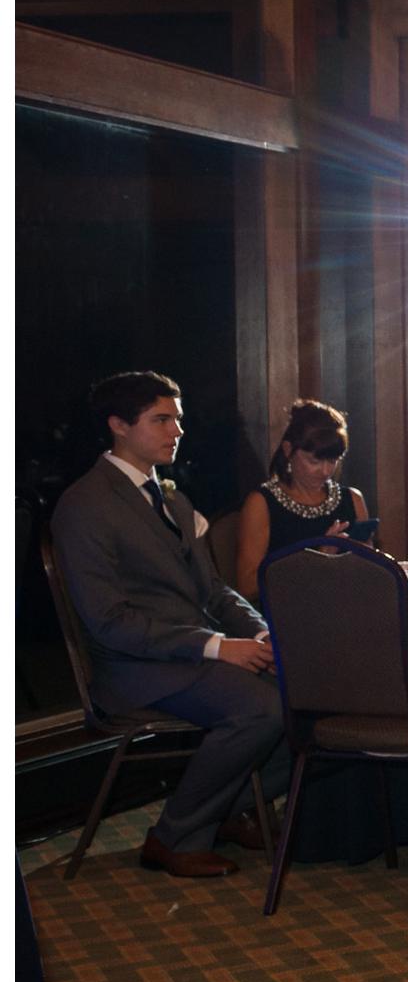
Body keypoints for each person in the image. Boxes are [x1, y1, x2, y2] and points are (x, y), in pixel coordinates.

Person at [49, 372, 283, 878]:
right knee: (263, 707)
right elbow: (109, 623)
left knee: (316, 688)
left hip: (188, 655)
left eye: (178, 419)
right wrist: (219, 648)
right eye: (161, 419)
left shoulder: (172, 498)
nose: (177, 430)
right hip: (132, 668)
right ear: (118, 426)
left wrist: (262, 631)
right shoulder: (83, 506)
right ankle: (173, 835)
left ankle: (228, 809)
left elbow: (215, 590)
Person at [232, 399, 371, 600]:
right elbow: (248, 586)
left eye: (332, 461)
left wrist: (366, 558)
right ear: (289, 450)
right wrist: (319, 562)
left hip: (347, 604)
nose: (325, 471)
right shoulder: (262, 503)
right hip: (289, 612)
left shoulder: (353, 499)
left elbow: (370, 575)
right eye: (314, 461)